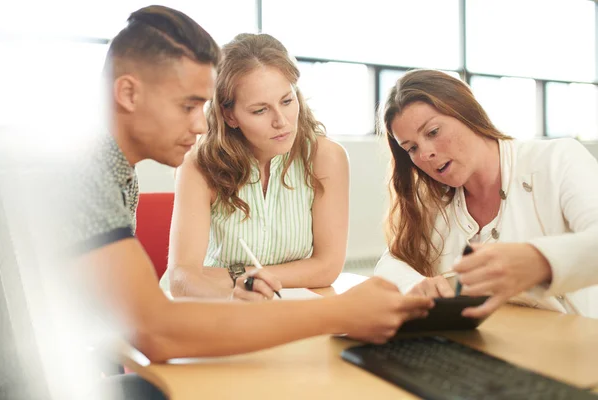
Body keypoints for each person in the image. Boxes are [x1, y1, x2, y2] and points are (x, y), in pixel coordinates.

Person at [56, 3, 433, 387]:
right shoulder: (88, 174)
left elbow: (135, 319)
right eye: (188, 105)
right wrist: (339, 314)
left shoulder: (115, 171)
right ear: (128, 93)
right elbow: (157, 331)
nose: (202, 123)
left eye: (287, 100)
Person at [374, 69, 598, 319]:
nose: (425, 154)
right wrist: (411, 285)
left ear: (467, 112)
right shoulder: (435, 200)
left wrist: (540, 261)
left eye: (433, 132)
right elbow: (391, 262)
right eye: (411, 148)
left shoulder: (558, 159)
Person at [158, 33, 349, 301]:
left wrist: (237, 276)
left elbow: (327, 267)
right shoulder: (198, 165)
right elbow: (182, 279)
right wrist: (238, 292)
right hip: (214, 307)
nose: (281, 121)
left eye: (287, 100)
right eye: (260, 110)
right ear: (230, 115)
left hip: (289, 307)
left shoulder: (326, 158)